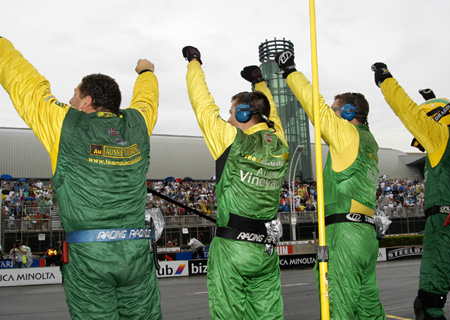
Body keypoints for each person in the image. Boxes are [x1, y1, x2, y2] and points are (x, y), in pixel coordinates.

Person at [0, 37, 162, 320]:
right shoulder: (139, 123)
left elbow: (25, 83)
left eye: (75, 95)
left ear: (87, 101)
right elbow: (147, 99)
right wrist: (147, 72)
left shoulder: (65, 124)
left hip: (90, 256)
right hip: (137, 254)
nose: (70, 100)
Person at [182, 46, 290, 319]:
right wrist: (259, 82)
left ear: (243, 114)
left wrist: (194, 63)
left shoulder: (231, 139)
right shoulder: (281, 143)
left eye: (232, 113)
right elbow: (271, 114)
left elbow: (202, 103)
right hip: (265, 249)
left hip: (232, 247)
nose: (228, 118)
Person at [275, 51, 385, 320]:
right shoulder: (370, 142)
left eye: (338, 110)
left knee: (338, 303)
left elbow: (317, 107)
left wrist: (291, 72)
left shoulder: (347, 134)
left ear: (348, 113)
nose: (333, 114)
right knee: (368, 307)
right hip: (366, 234)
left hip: (344, 232)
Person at [372, 63, 450, 320]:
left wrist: (386, 80)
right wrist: (434, 101)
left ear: (436, 119)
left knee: (428, 303)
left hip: (444, 226)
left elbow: (407, 112)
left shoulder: (441, 138)